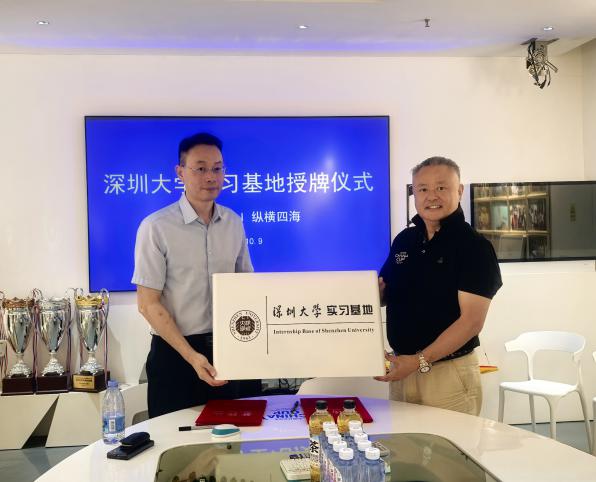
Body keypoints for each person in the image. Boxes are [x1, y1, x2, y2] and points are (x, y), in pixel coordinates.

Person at [132, 132, 261, 418]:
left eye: (217, 168)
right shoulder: (156, 227)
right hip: (176, 355)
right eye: (200, 168)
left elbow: (246, 287)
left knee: (234, 438)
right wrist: (192, 357)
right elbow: (148, 304)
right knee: (174, 442)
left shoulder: (233, 223)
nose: (210, 177)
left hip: (229, 350)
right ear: (180, 172)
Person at [376, 156, 502, 415]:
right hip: (403, 370)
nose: (431, 196)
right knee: (403, 441)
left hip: (448, 375)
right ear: (414, 194)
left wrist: (418, 361)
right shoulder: (405, 240)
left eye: (441, 187)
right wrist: (372, 294)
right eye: (423, 189)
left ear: (460, 190)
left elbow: (471, 322)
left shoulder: (474, 247)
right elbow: (385, 293)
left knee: (450, 443)